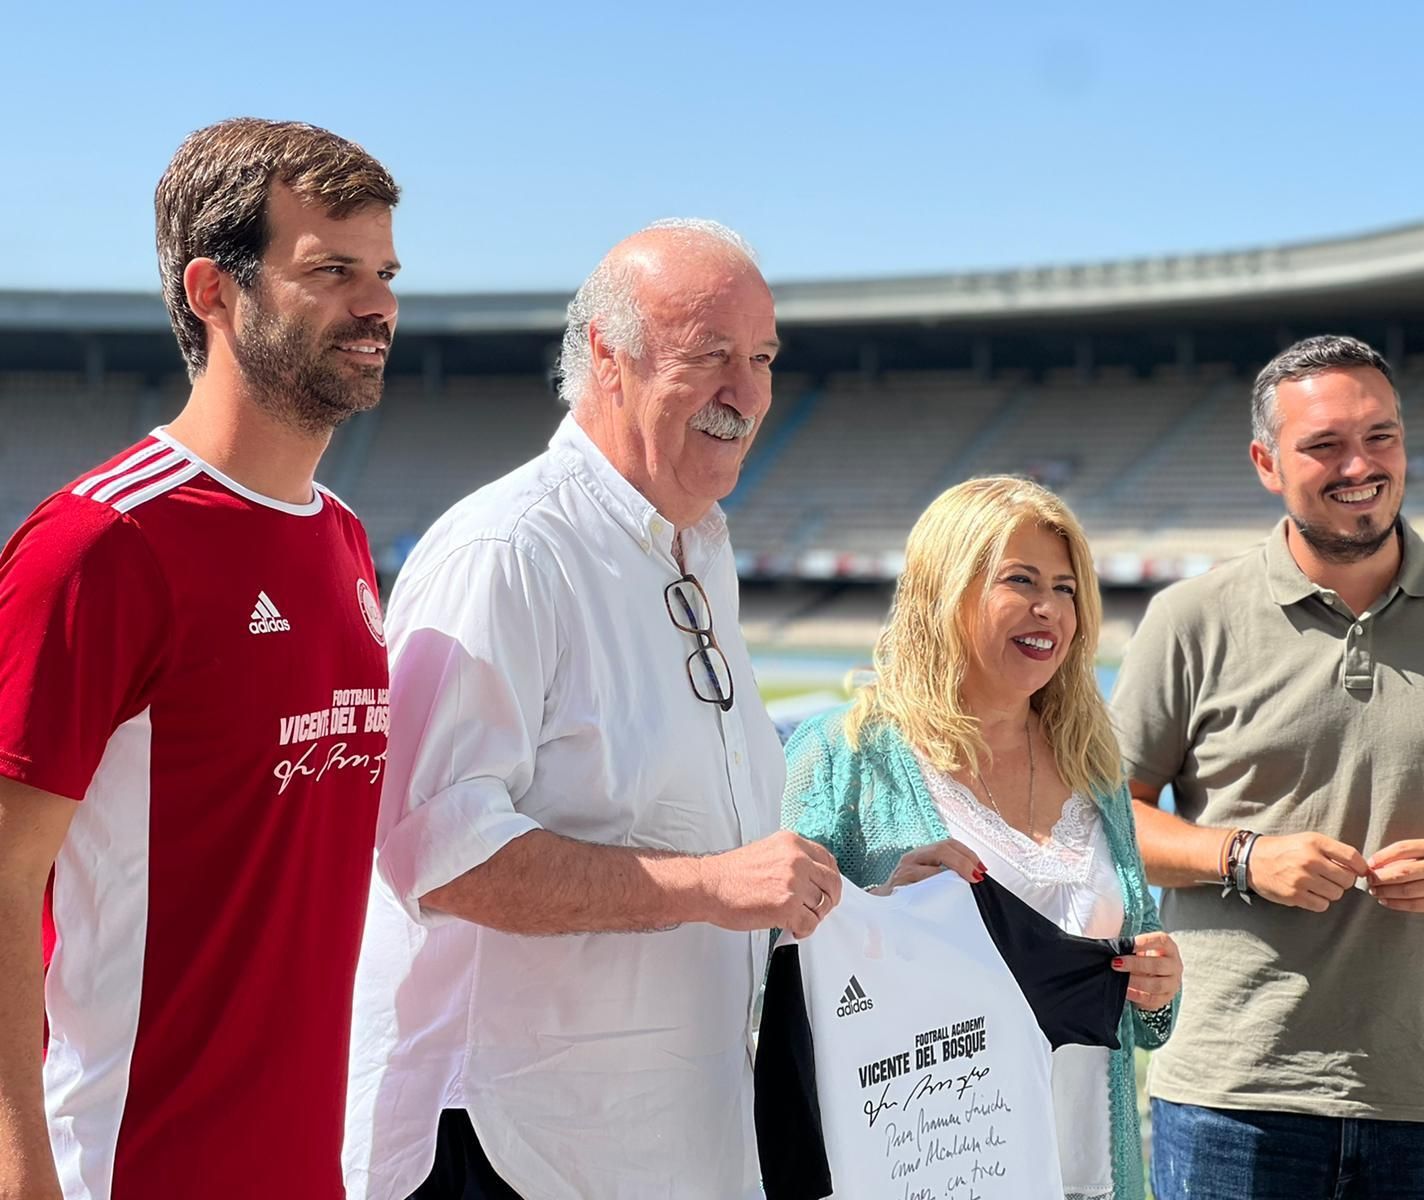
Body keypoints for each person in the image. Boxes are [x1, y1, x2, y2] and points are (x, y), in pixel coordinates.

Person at [342, 219, 842, 1200]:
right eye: (709, 357)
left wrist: (871, 901)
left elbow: (716, 844)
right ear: (608, 361)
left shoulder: (699, 549)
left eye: (762, 358)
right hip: (508, 1148)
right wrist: (711, 886)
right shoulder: (509, 551)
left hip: (656, 1144)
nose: (745, 392)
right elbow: (438, 856)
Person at [0, 118, 400, 1200]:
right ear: (213, 291)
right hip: (129, 1172)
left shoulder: (346, 540)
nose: (378, 305)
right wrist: (19, 1166)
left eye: (384, 271)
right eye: (331, 270)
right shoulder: (104, 545)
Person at [1110, 334, 1424, 1200]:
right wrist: (1244, 857)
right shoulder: (1188, 620)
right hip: (1233, 1095)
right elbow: (1107, 817)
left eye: (1381, 436)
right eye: (1323, 444)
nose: (1359, 464)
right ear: (1266, 462)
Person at [782, 475, 1182, 1200]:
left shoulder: (1094, 768)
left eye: (1066, 588)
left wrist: (1158, 985)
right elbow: (764, 966)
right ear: (947, 590)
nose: (1049, 608)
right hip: (926, 1168)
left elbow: (1143, 1018)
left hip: (1088, 1177)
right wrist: (877, 902)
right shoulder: (843, 756)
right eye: (1020, 580)